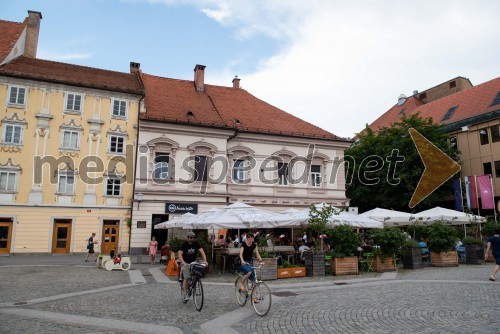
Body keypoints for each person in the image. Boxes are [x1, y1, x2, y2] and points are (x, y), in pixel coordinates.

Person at [178, 231, 207, 301]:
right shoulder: (184, 245)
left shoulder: (196, 244)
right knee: (186, 277)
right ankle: (185, 294)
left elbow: (202, 252)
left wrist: (205, 261)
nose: (192, 239)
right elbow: (179, 254)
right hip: (186, 262)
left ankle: (195, 284)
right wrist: (183, 262)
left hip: (193, 262)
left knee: (197, 274)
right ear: (187, 238)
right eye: (190, 237)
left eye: (193, 238)